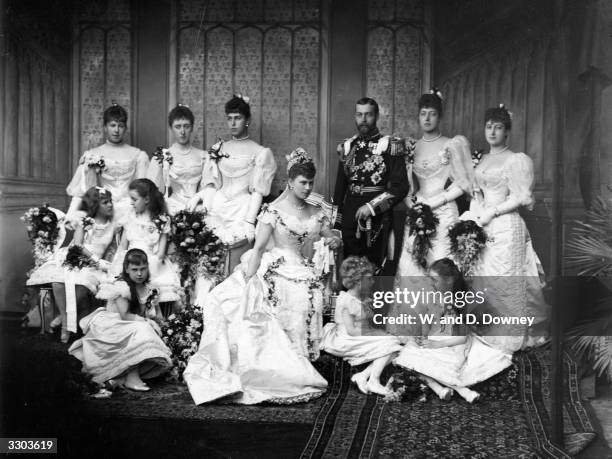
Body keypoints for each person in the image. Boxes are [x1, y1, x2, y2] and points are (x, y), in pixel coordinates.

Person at [184, 148, 340, 405]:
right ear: (290, 182)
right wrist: (246, 279)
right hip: (275, 266)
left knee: (310, 292)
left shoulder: (315, 210)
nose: (308, 187)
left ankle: (301, 362)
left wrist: (333, 240)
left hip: (302, 267)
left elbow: (328, 233)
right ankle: (285, 367)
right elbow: (257, 250)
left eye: (311, 183)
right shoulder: (272, 211)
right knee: (277, 296)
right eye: (303, 182)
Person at [462, 104, 549, 352]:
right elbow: (476, 191)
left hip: (506, 224)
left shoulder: (516, 160)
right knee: (485, 277)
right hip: (483, 224)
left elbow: (520, 196)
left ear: (507, 132)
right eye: (489, 127)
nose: (492, 132)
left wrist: (493, 211)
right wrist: (474, 214)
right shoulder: (480, 159)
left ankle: (512, 332)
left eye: (498, 127)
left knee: (507, 277)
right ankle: (489, 327)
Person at [393, 259, 513, 402]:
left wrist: (436, 344)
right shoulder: (438, 296)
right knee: (409, 356)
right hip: (443, 338)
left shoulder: (462, 300)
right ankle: (442, 390)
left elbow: (462, 338)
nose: (431, 284)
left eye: (434, 280)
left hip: (459, 343)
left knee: (416, 359)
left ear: (449, 280)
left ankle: (461, 391)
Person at [69, 249, 172, 395]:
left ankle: (121, 378)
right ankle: (131, 375)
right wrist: (149, 322)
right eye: (134, 270)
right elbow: (125, 316)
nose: (139, 274)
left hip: (132, 325)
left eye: (143, 269)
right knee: (143, 329)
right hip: (112, 325)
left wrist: (165, 326)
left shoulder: (150, 289)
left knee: (147, 331)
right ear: (127, 269)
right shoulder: (122, 286)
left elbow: (158, 316)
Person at [395, 89, 473, 277]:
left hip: (444, 210)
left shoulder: (452, 144)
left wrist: (435, 203)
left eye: (432, 114)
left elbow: (463, 183)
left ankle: (442, 308)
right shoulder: (411, 147)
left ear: (440, 117)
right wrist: (413, 206)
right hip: (419, 211)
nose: (427, 119)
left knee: (441, 264)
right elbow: (405, 186)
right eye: (423, 114)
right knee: (413, 267)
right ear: (418, 117)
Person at [27, 186, 117, 343]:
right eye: (105, 202)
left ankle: (66, 321)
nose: (110, 205)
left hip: (94, 264)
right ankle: (64, 317)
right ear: (95, 205)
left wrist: (100, 262)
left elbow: (117, 247)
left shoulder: (115, 225)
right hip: (76, 256)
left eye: (110, 201)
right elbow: (78, 245)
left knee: (81, 286)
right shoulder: (84, 222)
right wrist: (95, 259)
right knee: (57, 281)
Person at [333, 97, 409, 274]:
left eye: (368, 115)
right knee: (349, 270)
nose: (363, 119)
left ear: (376, 116)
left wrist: (372, 207)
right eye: (359, 115)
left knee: (372, 271)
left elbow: (400, 187)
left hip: (377, 218)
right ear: (355, 117)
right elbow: (339, 191)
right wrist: (336, 225)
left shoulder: (390, 146)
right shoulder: (347, 147)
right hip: (350, 215)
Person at [188, 95, 277, 244]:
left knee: (235, 245)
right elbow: (214, 185)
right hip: (218, 204)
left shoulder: (260, 152)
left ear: (247, 120)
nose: (233, 123)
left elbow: (258, 191)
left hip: (242, 207)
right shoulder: (219, 148)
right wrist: (200, 195)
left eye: (238, 118)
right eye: (229, 118)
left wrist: (249, 221)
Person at [320, 256, 402, 396]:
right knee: (391, 343)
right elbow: (351, 330)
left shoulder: (363, 298)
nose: (372, 281)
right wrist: (377, 334)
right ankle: (374, 380)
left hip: (359, 335)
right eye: (369, 279)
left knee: (395, 343)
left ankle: (364, 376)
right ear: (358, 282)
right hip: (346, 339)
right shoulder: (346, 300)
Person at [66, 104, 149, 224]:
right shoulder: (93, 155)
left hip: (130, 207)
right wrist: (71, 215)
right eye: (112, 125)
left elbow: (142, 189)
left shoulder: (138, 155)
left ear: (125, 128)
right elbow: (85, 189)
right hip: (104, 208)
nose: (116, 130)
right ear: (105, 127)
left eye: (120, 126)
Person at [111, 179, 181, 304]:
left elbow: (160, 253)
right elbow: (123, 246)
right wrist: (118, 261)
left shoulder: (161, 220)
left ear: (147, 199)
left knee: (151, 281)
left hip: (151, 262)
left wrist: (152, 265)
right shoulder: (129, 216)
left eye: (134, 199)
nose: (131, 203)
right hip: (129, 259)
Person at [147, 104, 207, 215]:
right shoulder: (162, 156)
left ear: (192, 127)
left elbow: (208, 188)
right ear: (171, 128)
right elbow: (153, 190)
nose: (182, 131)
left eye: (186, 126)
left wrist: (198, 199)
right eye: (178, 127)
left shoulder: (204, 156)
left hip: (197, 205)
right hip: (172, 206)